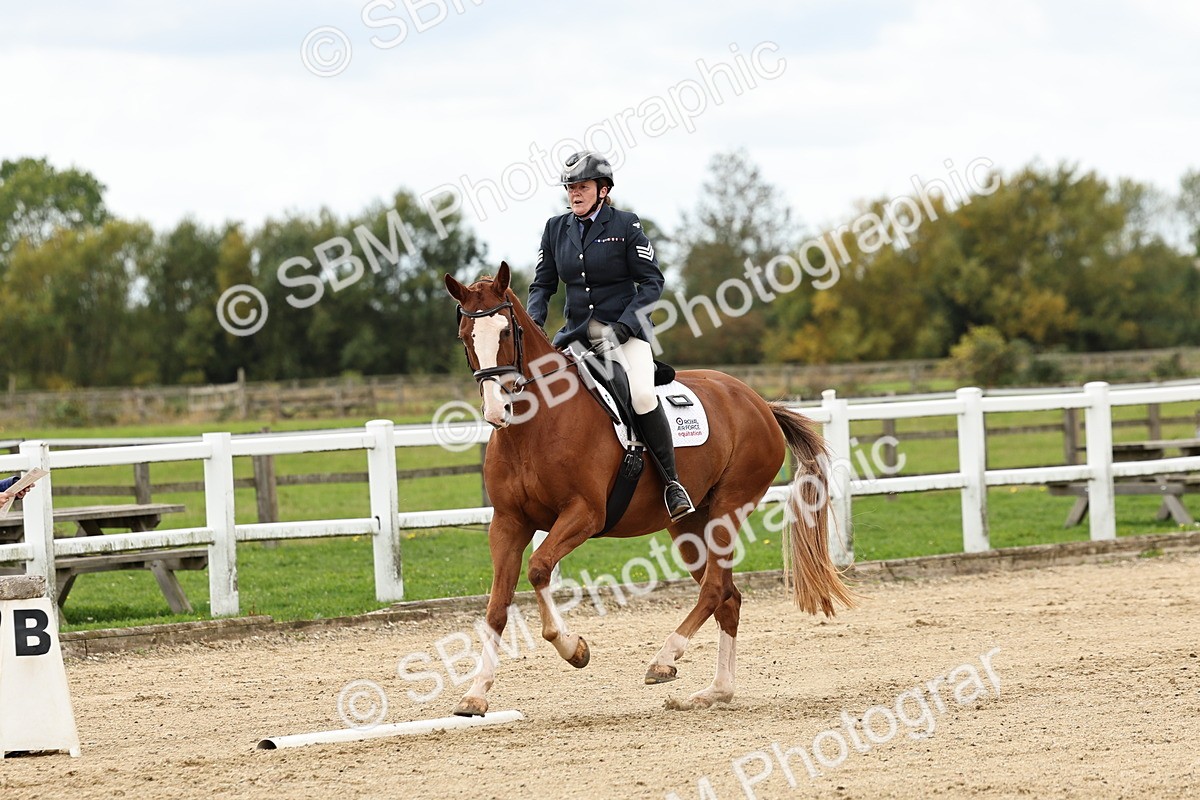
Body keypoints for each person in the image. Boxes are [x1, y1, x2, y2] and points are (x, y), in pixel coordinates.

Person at [528, 150, 695, 521]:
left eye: (582, 186)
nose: (574, 193)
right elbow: (542, 285)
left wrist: (624, 325)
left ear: (603, 190)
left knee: (640, 394)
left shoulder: (625, 225)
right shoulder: (556, 228)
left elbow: (652, 282)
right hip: (575, 335)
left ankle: (672, 483)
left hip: (624, 332)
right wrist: (534, 321)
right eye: (570, 187)